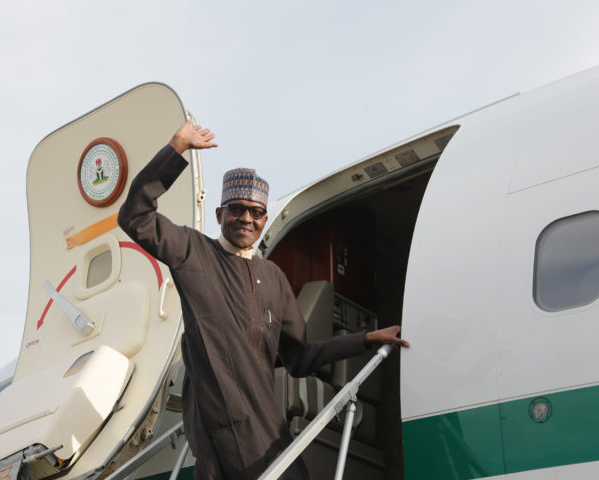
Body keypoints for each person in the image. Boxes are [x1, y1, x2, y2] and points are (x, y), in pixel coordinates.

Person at [118, 121, 409, 480]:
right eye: (236, 209)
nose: (245, 218)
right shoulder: (193, 251)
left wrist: (364, 340)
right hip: (218, 430)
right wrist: (175, 149)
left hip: (266, 429)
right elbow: (135, 216)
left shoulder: (273, 278)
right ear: (219, 214)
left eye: (255, 212)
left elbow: (301, 358)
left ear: (264, 219)